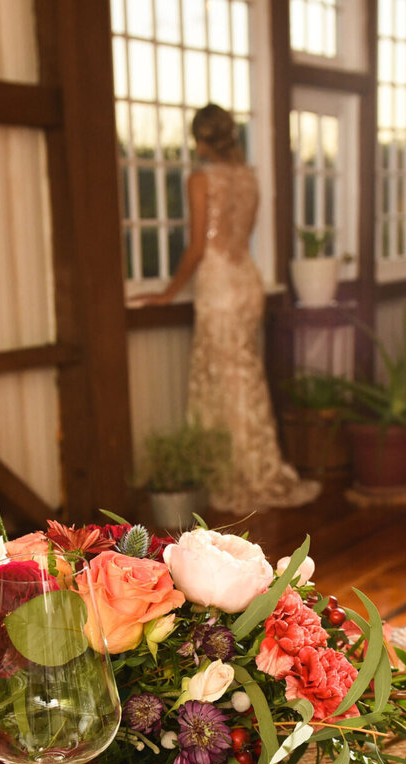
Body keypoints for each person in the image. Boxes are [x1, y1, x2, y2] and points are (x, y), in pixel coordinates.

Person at [139, 104, 319, 513]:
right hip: (246, 282)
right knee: (245, 378)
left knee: (225, 380)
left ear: (202, 138)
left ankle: (233, 474)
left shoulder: (200, 179)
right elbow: (240, 238)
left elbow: (200, 248)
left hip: (220, 286)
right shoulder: (249, 179)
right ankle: (254, 467)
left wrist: (168, 293)